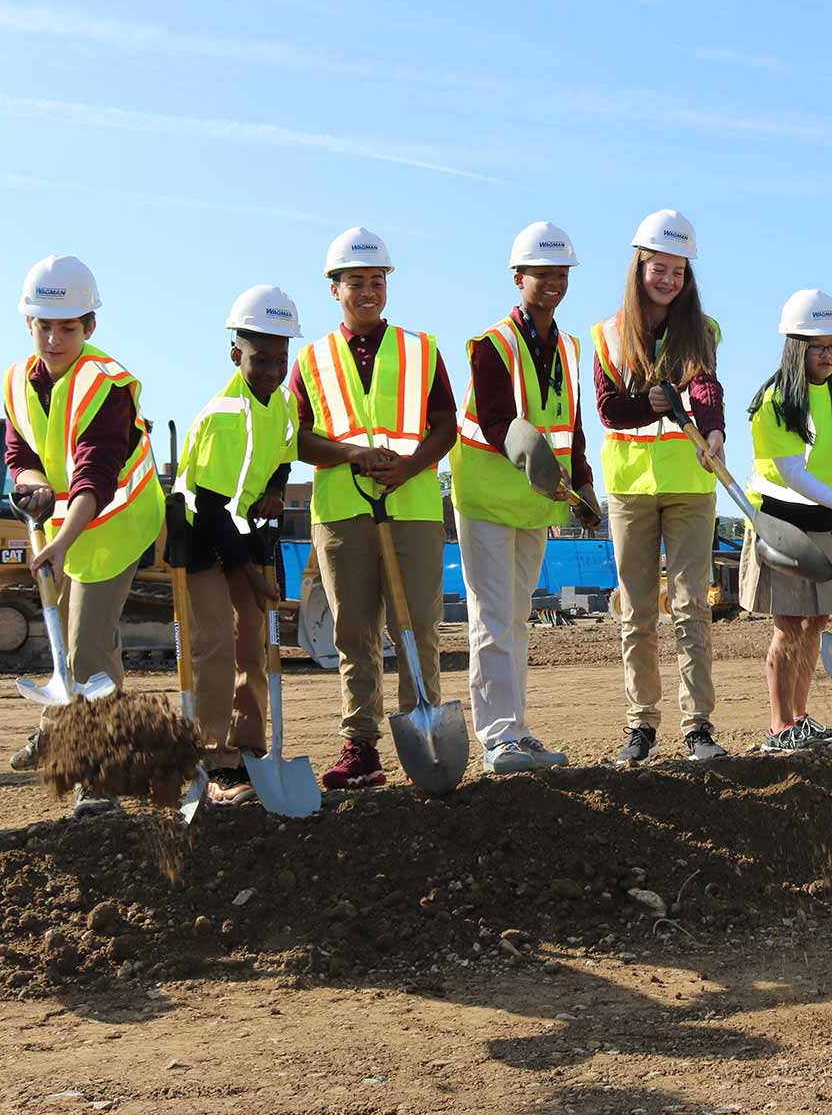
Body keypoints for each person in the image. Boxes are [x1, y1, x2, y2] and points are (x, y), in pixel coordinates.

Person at [287, 228, 459, 790]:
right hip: (340, 511)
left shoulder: (421, 349)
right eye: (355, 282)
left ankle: (423, 733)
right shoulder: (310, 359)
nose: (368, 291)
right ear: (333, 289)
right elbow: (298, 437)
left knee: (418, 627)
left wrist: (409, 467)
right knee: (353, 631)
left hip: (411, 507)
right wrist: (351, 455)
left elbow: (445, 427)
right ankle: (360, 747)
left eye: (377, 281)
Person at [2, 255, 167, 817]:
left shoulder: (108, 384)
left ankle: (106, 779)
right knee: (70, 645)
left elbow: (95, 472)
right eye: (43, 325)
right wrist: (31, 483)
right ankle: (59, 729)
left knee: (87, 649)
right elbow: (19, 450)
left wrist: (63, 536)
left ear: (89, 327)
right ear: (28, 324)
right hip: (65, 524)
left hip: (114, 521)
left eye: (67, 327)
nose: (53, 338)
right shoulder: (15, 381)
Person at [450, 223, 601, 774]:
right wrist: (527, 451)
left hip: (537, 504)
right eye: (542, 273)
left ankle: (518, 730)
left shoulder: (568, 346)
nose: (554, 282)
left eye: (561, 273)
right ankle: (497, 738)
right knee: (492, 617)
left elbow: (573, 425)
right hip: (488, 499)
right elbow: (493, 417)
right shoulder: (492, 344)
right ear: (519, 278)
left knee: (516, 619)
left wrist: (584, 481)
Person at [592, 210, 730, 767]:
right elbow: (606, 409)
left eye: (679, 270)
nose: (669, 279)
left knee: (693, 605)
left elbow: (706, 388)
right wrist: (645, 403)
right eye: (660, 268)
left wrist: (713, 432)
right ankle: (641, 724)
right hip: (628, 487)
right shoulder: (607, 333)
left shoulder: (704, 329)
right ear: (639, 267)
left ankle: (697, 725)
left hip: (691, 484)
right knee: (637, 609)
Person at [173, 285, 300, 803]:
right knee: (215, 647)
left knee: (257, 643)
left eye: (279, 358)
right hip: (202, 534)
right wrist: (247, 570)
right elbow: (210, 504)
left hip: (244, 529)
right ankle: (211, 758)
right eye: (260, 358)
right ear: (235, 354)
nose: (272, 369)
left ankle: (249, 755)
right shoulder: (225, 414)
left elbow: (284, 457)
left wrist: (274, 490)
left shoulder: (284, 403)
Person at [740, 291, 832, 752]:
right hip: (781, 521)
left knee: (817, 621)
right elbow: (792, 473)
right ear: (796, 347)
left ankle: (800, 717)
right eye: (818, 346)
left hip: (823, 518)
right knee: (789, 625)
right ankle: (779, 727)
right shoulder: (775, 401)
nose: (828, 355)